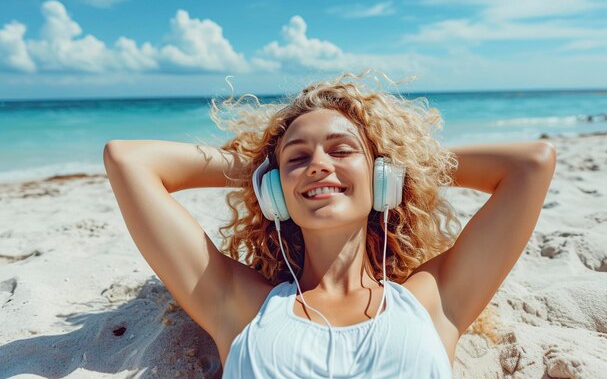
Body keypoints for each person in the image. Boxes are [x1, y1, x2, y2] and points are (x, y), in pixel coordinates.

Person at [103, 70, 557, 378]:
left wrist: (407, 165)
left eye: (341, 151)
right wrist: (262, 170)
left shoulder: (432, 302)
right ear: (274, 192)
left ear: (382, 179)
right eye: (299, 157)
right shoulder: (242, 306)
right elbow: (129, 160)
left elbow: (532, 165)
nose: (318, 164)